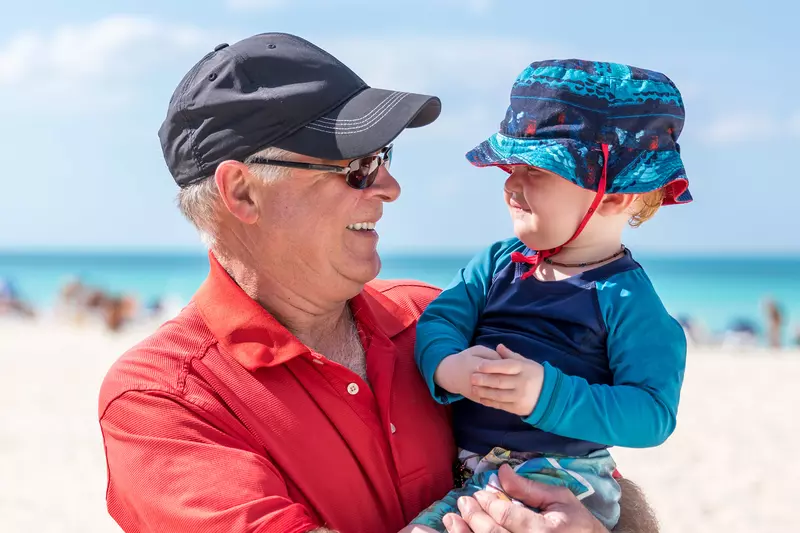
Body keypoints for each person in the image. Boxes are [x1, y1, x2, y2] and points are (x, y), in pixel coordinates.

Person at [98, 34, 659, 533]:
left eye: (383, 156)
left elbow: (592, 470)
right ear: (242, 192)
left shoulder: (432, 317)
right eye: (356, 166)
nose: (390, 186)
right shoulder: (162, 403)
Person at [410, 60, 690, 532]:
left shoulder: (624, 297)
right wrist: (447, 367)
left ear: (614, 195)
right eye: (510, 166)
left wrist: (546, 393)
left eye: (536, 170)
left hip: (567, 476)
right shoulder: (497, 263)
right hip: (475, 466)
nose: (510, 183)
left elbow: (652, 414)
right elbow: (440, 320)